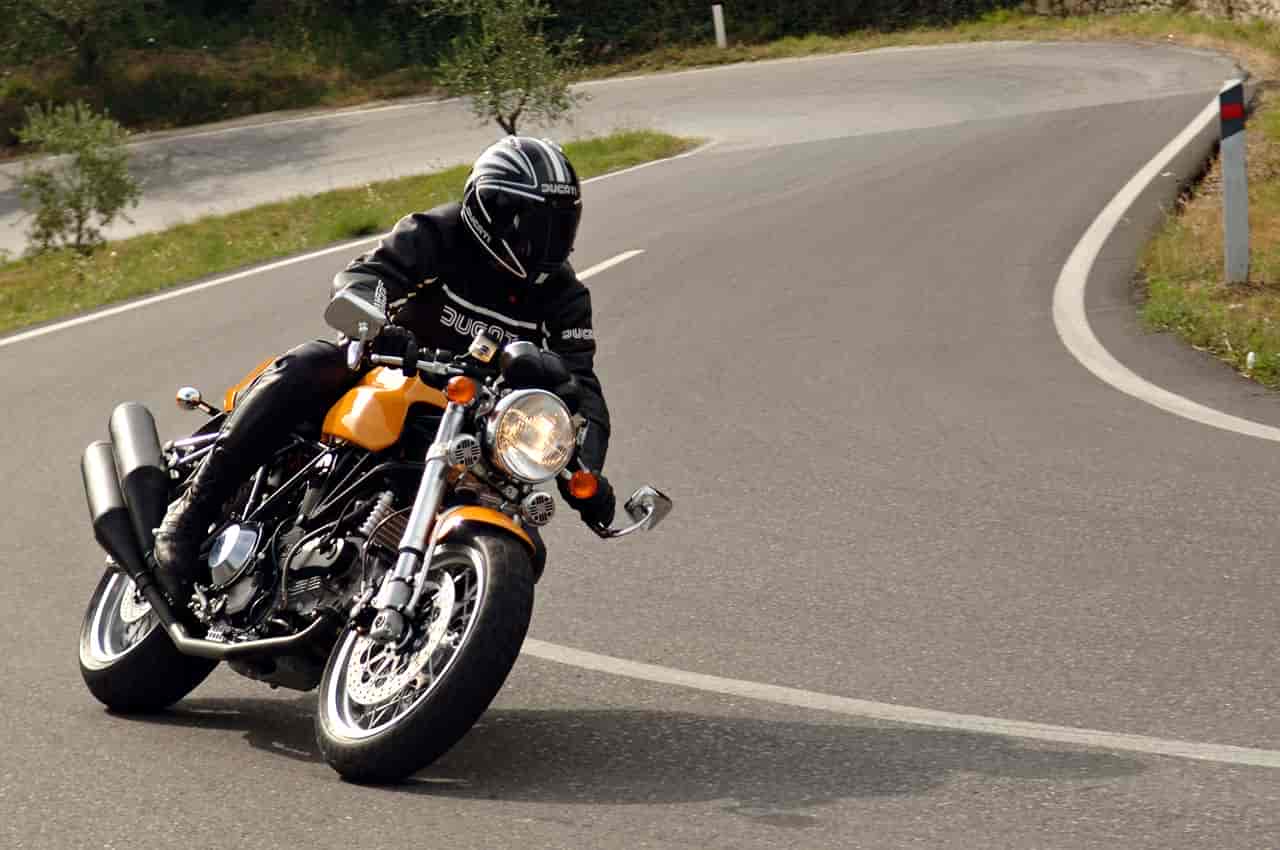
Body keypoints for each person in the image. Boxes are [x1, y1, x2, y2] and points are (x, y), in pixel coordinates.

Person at [152, 136, 616, 602]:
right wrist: (378, 325)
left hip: (469, 420)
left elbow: (579, 386)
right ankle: (189, 515)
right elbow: (367, 275)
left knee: (524, 540)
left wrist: (585, 471)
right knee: (310, 365)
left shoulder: (564, 296)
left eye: (562, 225)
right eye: (538, 225)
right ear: (492, 213)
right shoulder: (441, 233)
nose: (549, 242)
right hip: (388, 369)